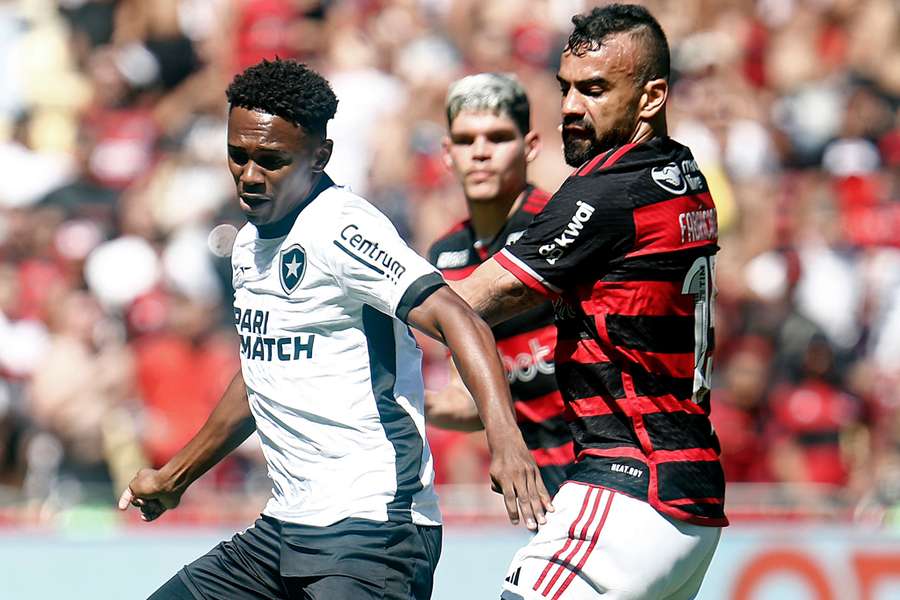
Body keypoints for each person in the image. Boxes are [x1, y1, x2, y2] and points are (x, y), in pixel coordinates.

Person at [117, 58, 550, 600]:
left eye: (271, 160)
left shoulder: (342, 226)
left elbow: (458, 318)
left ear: (319, 155)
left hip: (373, 532)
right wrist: (173, 478)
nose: (250, 175)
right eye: (238, 156)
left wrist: (504, 438)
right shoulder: (248, 245)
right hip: (283, 530)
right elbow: (262, 374)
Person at [450, 6, 726, 599]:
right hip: (691, 495)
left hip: (630, 484)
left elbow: (470, 301)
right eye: (566, 88)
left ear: (651, 98)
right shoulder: (683, 170)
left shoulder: (607, 190)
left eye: (595, 89)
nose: (571, 107)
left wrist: (353, 291)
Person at [426, 72, 574, 496]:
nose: (481, 153)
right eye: (466, 140)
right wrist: (416, 403)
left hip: (598, 467)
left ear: (529, 147)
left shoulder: (560, 223)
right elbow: (469, 397)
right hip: (536, 483)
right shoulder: (444, 255)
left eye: (497, 137)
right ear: (448, 154)